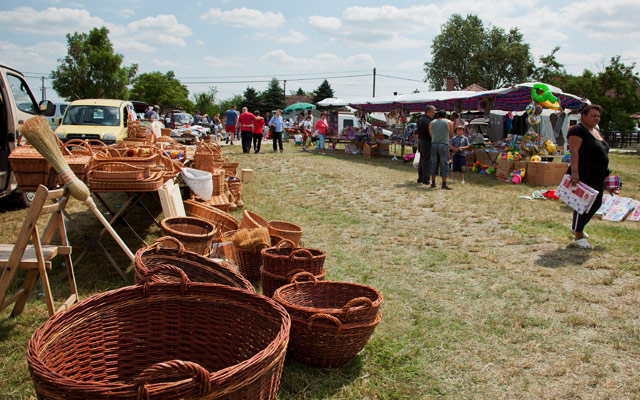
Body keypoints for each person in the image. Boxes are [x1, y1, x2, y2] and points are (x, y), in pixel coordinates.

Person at [568, 104, 615, 249]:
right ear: (584, 116)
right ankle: (578, 235)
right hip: (584, 173)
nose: (597, 118)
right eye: (593, 115)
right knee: (583, 203)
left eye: (598, 116)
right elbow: (574, 152)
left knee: (597, 203)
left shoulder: (596, 131)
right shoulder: (577, 130)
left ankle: (578, 227)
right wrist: (575, 173)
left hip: (598, 174)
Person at [429, 110, 454, 190]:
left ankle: (433, 182)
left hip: (434, 144)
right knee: (444, 163)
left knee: (433, 163)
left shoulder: (431, 122)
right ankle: (444, 183)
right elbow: (451, 135)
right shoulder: (449, 122)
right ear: (445, 116)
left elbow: (431, 134)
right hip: (444, 144)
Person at [416, 105, 436, 185]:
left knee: (422, 160)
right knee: (426, 161)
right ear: (428, 112)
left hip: (421, 141)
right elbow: (430, 133)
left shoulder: (420, 119)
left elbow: (417, 132)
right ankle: (425, 179)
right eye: (432, 113)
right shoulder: (428, 121)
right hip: (427, 141)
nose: (433, 114)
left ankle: (420, 178)